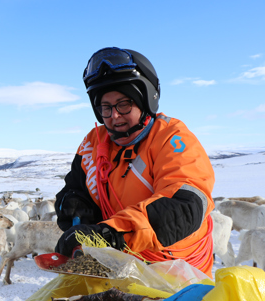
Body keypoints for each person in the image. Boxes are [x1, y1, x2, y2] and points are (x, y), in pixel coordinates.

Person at [54, 47, 215, 277]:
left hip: (177, 272)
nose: (114, 116)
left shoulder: (171, 137)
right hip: (118, 265)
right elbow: (75, 188)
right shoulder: (94, 142)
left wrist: (110, 234)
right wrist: (73, 207)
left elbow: (185, 204)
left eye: (123, 104)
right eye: (106, 107)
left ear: (145, 100)